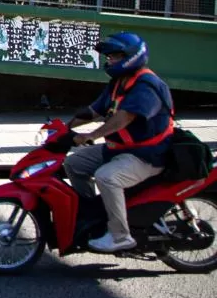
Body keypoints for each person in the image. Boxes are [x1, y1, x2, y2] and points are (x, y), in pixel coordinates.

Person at [64, 32, 175, 253]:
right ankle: (90, 216)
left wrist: (90, 136)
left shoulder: (147, 85)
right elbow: (93, 111)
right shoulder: (118, 83)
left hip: (146, 155)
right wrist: (65, 129)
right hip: (118, 150)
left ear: (132, 56)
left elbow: (124, 118)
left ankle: (120, 236)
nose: (110, 60)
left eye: (115, 56)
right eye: (109, 56)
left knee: (107, 177)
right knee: (74, 164)